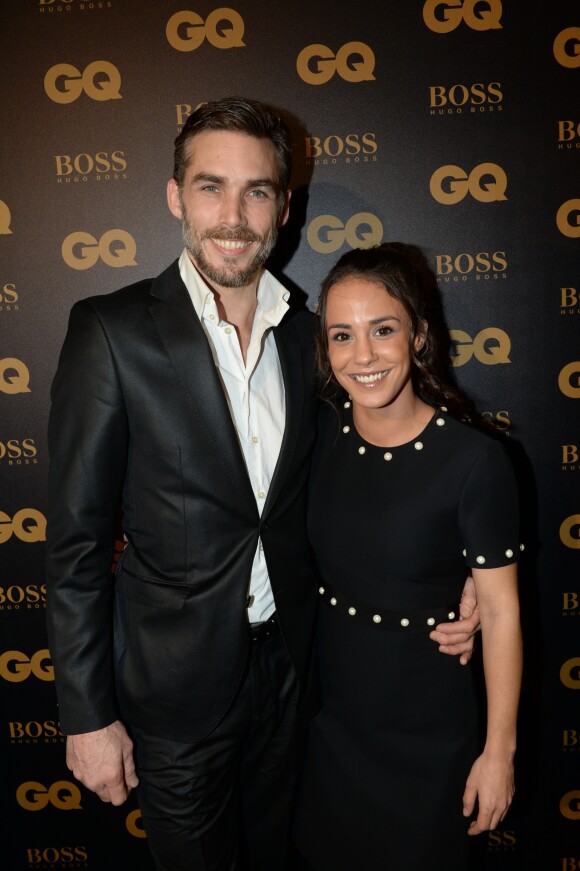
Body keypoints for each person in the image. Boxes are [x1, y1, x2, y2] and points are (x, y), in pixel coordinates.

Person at [45, 98, 479, 871]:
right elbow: (77, 541)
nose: (233, 215)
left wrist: (469, 571)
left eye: (256, 191)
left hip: (299, 681)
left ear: (283, 206)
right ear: (176, 197)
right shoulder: (109, 332)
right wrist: (86, 715)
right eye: (212, 187)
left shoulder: (314, 342)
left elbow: (376, 472)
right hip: (173, 695)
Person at [292, 242, 523, 871]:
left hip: (428, 729)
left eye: (383, 330)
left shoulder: (476, 463)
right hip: (329, 724)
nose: (362, 356)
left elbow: (500, 615)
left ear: (418, 336)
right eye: (342, 335)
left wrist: (497, 753)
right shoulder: (317, 433)